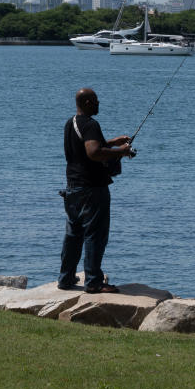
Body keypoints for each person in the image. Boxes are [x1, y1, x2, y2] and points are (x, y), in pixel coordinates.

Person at [58, 87, 135, 293]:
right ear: (88, 103)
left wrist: (112, 142)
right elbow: (93, 152)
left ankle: (65, 279)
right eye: (96, 101)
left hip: (72, 188)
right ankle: (93, 282)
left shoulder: (70, 123)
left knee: (73, 235)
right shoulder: (91, 124)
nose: (99, 104)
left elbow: (84, 148)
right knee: (95, 235)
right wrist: (121, 151)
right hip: (92, 190)